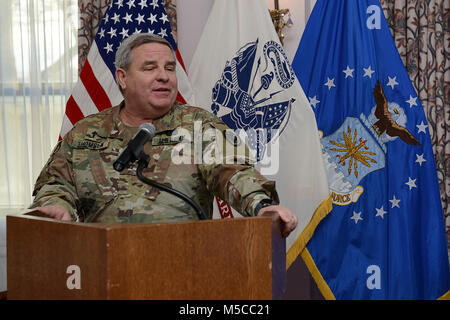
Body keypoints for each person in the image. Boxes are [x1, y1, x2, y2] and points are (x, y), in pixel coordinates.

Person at [29, 33, 297, 237]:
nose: (164, 76)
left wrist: (262, 206)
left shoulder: (199, 125)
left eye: (170, 68)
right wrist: (55, 204)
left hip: (182, 260)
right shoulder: (86, 132)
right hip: (103, 265)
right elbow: (56, 183)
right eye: (150, 68)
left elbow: (234, 173)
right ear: (122, 78)